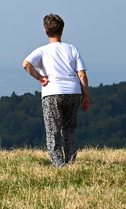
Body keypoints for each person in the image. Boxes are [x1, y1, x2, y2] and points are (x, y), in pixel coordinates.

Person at [22, 14, 91, 168]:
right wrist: (86, 96)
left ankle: (59, 165)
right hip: (73, 92)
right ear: (62, 31)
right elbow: (82, 74)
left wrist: (40, 78)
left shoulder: (42, 51)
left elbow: (26, 64)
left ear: (46, 32)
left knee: (53, 130)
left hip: (52, 92)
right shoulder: (72, 48)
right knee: (69, 129)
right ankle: (71, 162)